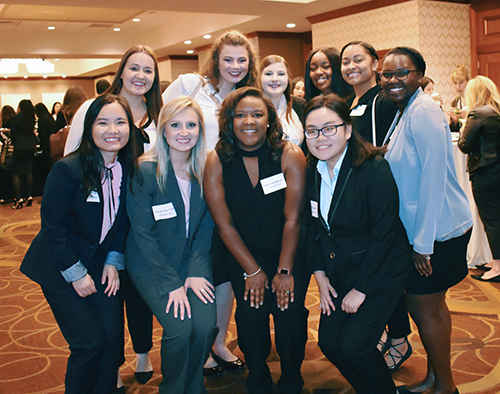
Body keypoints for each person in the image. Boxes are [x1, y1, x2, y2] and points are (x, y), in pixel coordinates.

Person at [20, 94, 138, 394]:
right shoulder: (68, 169)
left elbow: (121, 220)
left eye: (120, 122)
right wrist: (76, 273)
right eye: (103, 122)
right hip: (60, 265)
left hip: (100, 262)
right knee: (89, 343)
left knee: (112, 340)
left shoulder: (127, 167)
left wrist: (114, 260)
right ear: (89, 128)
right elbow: (53, 228)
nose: (113, 130)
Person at [65, 45, 163, 386]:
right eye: (134, 68)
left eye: (148, 70)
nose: (140, 76)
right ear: (122, 71)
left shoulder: (158, 114)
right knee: (108, 295)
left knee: (138, 291)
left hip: (143, 219)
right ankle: (113, 367)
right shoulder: (95, 109)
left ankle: (142, 352)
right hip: (101, 220)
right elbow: (73, 163)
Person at [163, 30, 258, 375]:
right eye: (228, 59)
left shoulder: (249, 95)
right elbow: (165, 126)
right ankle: (199, 344)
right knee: (193, 266)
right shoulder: (191, 85)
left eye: (241, 60)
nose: (234, 66)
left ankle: (218, 340)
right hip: (192, 189)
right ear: (216, 59)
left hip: (231, 192)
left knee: (226, 272)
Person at [204, 87, 310, 394]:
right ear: (229, 120)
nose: (248, 121)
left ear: (269, 120)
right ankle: (258, 373)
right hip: (242, 255)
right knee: (250, 318)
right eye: (240, 115)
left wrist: (285, 271)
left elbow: (294, 219)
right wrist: (251, 270)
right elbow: (224, 225)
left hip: (288, 252)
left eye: (257, 114)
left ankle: (292, 375)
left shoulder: (289, 154)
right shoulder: (217, 160)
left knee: (289, 316)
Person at [304, 93, 411, 394]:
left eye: (329, 128)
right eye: (312, 130)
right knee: (328, 343)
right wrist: (320, 275)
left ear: (348, 130)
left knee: (355, 346)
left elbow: (384, 236)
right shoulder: (312, 168)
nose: (320, 137)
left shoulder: (373, 168)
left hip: (380, 272)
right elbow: (314, 227)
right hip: (340, 271)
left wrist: (362, 289)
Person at [380, 47, 473, 394]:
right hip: (427, 230)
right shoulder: (406, 110)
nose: (392, 80)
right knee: (431, 306)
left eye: (401, 73)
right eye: (386, 75)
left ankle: (445, 386)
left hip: (438, 232)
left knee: (424, 307)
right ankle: (435, 378)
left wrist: (423, 245)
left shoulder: (425, 112)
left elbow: (433, 178)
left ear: (419, 75)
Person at [125, 96, 217, 393]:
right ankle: (174, 388)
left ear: (200, 131)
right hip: (151, 264)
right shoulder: (146, 170)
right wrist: (170, 283)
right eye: (175, 125)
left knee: (205, 327)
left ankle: (193, 386)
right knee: (180, 329)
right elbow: (143, 235)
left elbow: (206, 226)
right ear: (163, 129)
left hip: (191, 261)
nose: (183, 132)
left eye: (191, 125)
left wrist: (197, 270)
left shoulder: (205, 170)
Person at [458, 76, 500, 282]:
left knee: (491, 220)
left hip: (484, 172)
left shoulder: (477, 113)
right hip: (497, 170)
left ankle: (497, 267)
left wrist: (464, 124)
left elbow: (464, 145)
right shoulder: (497, 111)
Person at [340, 41, 399, 146]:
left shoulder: (385, 100)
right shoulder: (345, 103)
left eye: (358, 60)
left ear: (375, 64)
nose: (351, 66)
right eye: (346, 62)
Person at [259, 55, 305, 147]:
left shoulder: (300, 105)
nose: (275, 79)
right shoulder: (250, 107)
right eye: (268, 74)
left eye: (281, 74)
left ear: (288, 78)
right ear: (259, 77)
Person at [9, 99, 37, 209]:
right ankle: (29, 196)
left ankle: (19, 198)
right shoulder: (31, 117)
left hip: (20, 147)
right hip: (31, 145)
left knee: (16, 172)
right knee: (28, 171)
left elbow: (13, 134)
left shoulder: (16, 118)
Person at [34, 103, 56, 193]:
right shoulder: (50, 118)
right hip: (53, 146)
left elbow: (42, 135)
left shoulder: (42, 120)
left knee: (48, 168)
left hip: (46, 146)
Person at [447, 65, 470, 132]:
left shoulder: (475, 100)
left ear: (468, 81)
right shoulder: (455, 102)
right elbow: (453, 130)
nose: (458, 86)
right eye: (455, 83)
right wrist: (455, 121)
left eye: (461, 83)